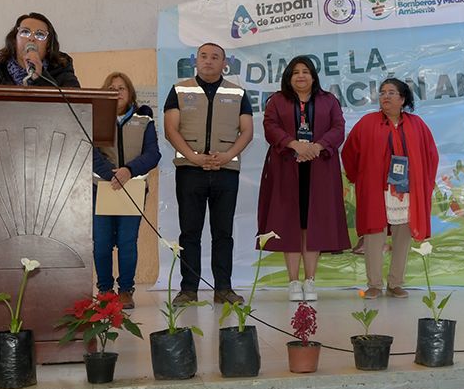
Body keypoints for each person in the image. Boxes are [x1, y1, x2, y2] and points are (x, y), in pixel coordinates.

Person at [163, 43, 253, 306]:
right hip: (190, 171)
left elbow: (247, 131)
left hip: (225, 172)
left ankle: (223, 289)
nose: (208, 61)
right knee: (189, 232)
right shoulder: (180, 90)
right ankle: (188, 290)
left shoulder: (237, 93)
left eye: (215, 57)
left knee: (223, 233)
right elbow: (170, 129)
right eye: (203, 56)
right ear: (196, 61)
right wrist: (193, 157)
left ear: (224, 63)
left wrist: (227, 155)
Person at [257, 56, 351, 301]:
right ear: (289, 77)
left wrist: (317, 147)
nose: (301, 76)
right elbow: (270, 126)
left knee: (313, 224)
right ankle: (293, 282)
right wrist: (294, 144)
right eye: (296, 72)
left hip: (320, 169)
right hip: (286, 168)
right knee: (289, 224)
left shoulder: (328, 100)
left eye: (306, 71)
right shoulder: (277, 101)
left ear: (313, 76)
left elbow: (338, 128)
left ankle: (310, 280)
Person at [343, 78, 439, 299]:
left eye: (391, 92)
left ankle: (395, 283)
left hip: (407, 190)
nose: (385, 96)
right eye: (383, 92)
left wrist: (424, 183)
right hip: (375, 188)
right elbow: (349, 152)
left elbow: (430, 155)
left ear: (402, 99)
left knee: (402, 236)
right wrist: (359, 178)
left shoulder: (417, 125)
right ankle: (374, 284)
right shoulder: (367, 123)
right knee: (373, 235)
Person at [91, 72, 161, 309]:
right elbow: (89, 151)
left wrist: (128, 171)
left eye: (121, 88)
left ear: (130, 93)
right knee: (102, 241)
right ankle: (104, 290)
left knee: (127, 241)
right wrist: (110, 174)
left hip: (133, 188)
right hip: (102, 188)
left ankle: (125, 290)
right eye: (111, 88)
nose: (117, 92)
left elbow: (153, 154)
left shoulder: (145, 120)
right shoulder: (95, 119)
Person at [0, 13, 80, 87]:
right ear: (14, 40)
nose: (31, 38)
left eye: (40, 34)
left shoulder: (63, 75)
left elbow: (75, 108)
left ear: (48, 46)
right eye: (25, 32)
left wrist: (40, 77)